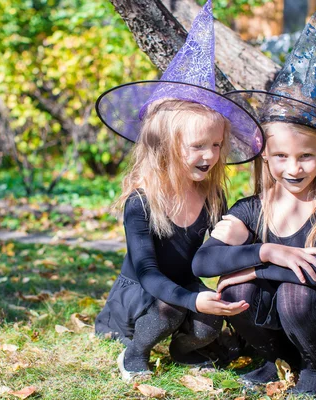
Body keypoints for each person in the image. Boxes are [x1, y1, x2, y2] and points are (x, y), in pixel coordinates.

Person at [192, 10, 316, 396]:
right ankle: (273, 358)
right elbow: (204, 261)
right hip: (275, 327)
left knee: (293, 292)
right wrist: (269, 250)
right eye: (281, 156)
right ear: (263, 155)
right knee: (233, 289)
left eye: (306, 157)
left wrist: (256, 268)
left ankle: (314, 368)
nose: (294, 168)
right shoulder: (251, 209)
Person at [93, 0, 264, 383]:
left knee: (208, 325)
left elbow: (220, 252)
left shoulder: (211, 195)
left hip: (184, 286)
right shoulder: (142, 201)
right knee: (171, 308)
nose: (210, 155)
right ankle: (134, 352)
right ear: (165, 146)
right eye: (198, 146)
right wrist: (190, 299)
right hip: (145, 293)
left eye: (217, 145)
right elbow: (148, 272)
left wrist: (214, 293)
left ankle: (185, 351)